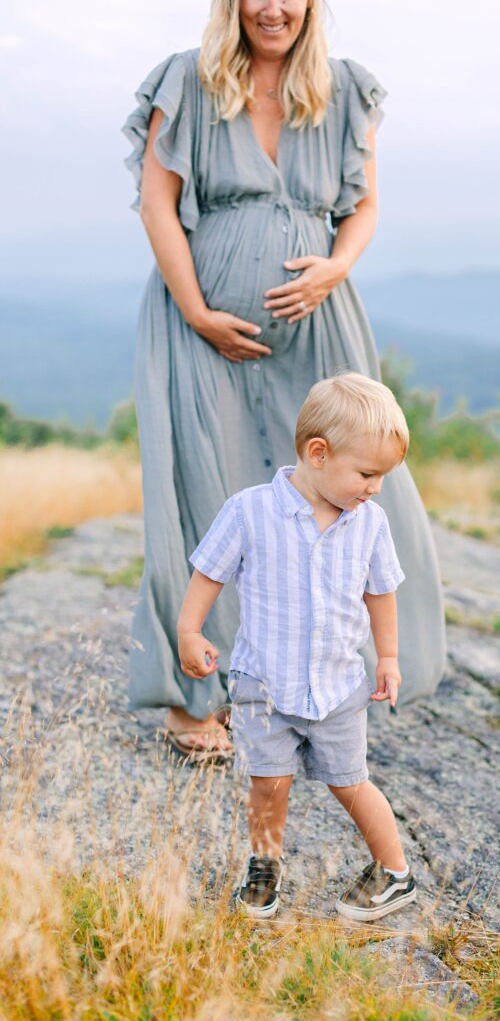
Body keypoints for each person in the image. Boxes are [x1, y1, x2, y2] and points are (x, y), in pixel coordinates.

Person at [123, 0, 445, 760]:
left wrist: (334, 266)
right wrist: (197, 310)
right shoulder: (187, 82)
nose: (274, 7)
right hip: (199, 325)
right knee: (204, 491)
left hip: (320, 323)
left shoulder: (342, 90)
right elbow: (155, 203)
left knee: (354, 489)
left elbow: (362, 207)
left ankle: (331, 678)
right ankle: (196, 698)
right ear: (231, 3)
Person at [178, 374, 416, 920]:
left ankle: (395, 871)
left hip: (337, 686)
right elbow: (209, 572)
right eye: (366, 473)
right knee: (269, 784)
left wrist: (388, 657)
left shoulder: (370, 523)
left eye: (381, 476)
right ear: (318, 453)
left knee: (350, 782)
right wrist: (190, 630)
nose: (374, 487)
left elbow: (381, 592)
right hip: (264, 684)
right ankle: (265, 867)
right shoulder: (250, 511)